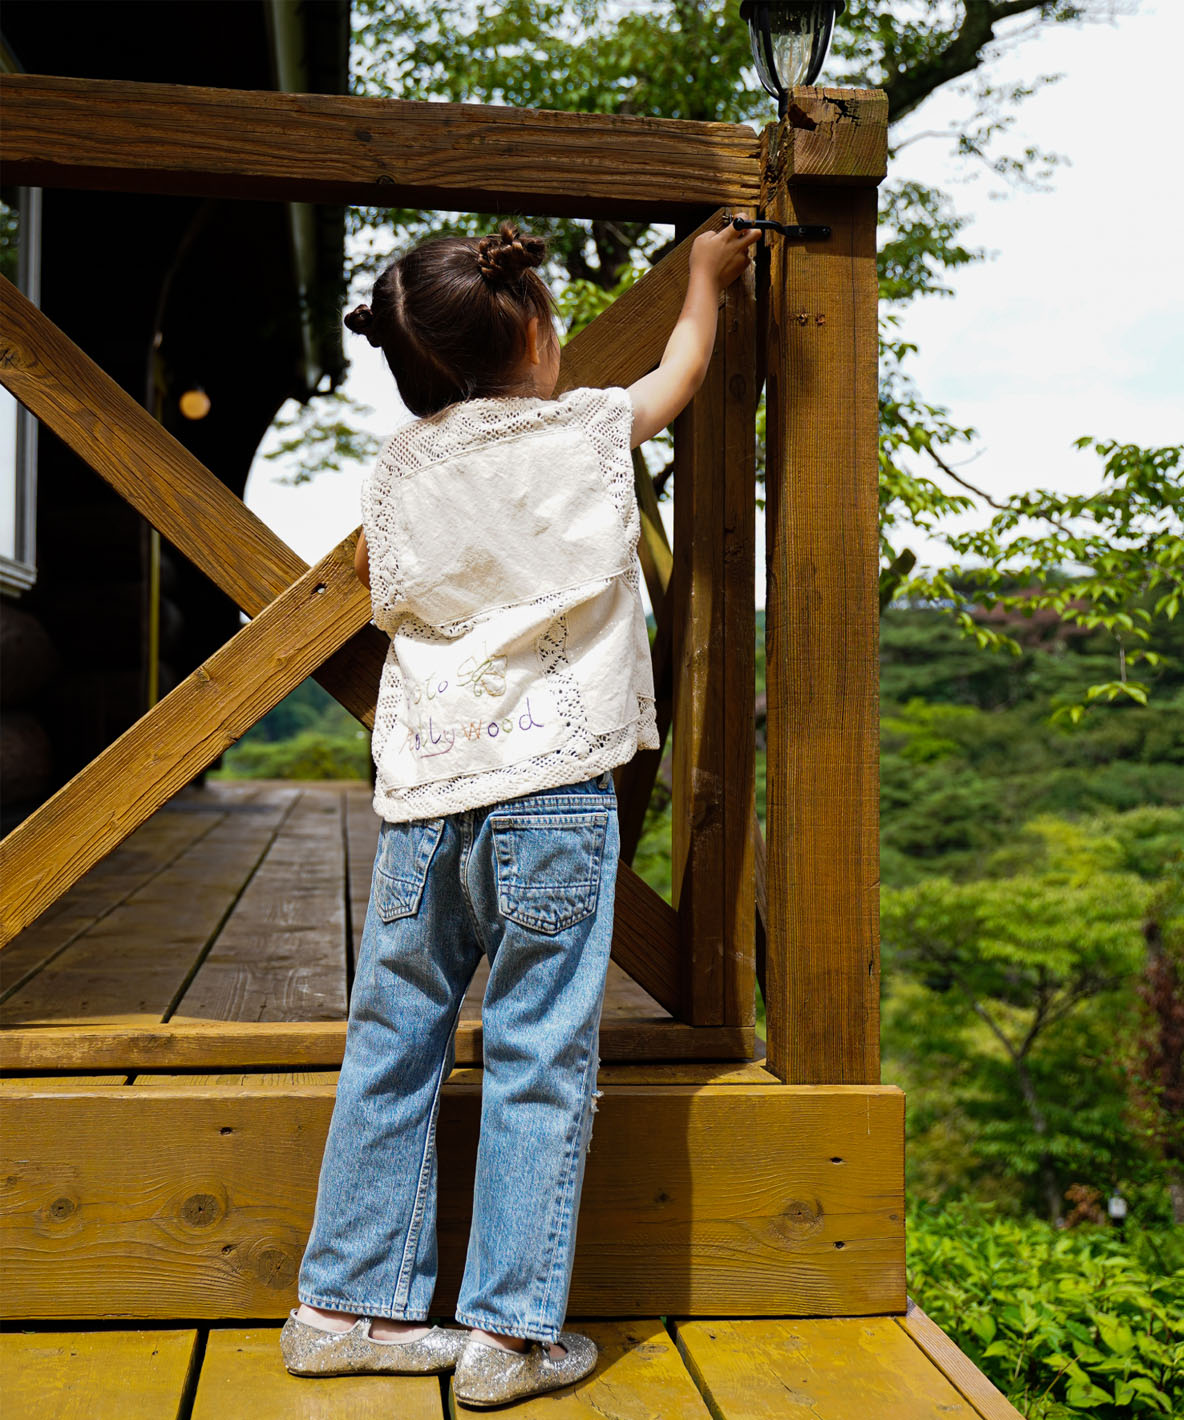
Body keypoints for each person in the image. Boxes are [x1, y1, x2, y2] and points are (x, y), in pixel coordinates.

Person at [280, 216, 760, 1407]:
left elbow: (379, 593)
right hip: (551, 797)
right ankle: (510, 1333)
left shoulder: (396, 473)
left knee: (392, 1041)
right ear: (539, 332)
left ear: (411, 367)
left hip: (423, 804)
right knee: (539, 1051)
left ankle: (342, 1306)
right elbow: (681, 370)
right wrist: (703, 275)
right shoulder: (581, 430)